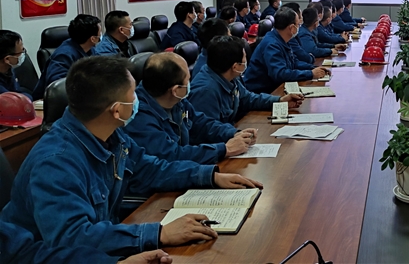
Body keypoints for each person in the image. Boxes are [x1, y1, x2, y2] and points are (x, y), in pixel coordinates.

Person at [0, 56, 262, 256]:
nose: (139, 100)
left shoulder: (110, 135)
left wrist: (210, 176)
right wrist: (158, 233)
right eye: (133, 94)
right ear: (117, 110)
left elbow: (150, 168)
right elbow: (73, 238)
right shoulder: (56, 162)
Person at [125, 53, 256, 164]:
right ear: (175, 90)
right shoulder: (139, 117)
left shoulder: (176, 100)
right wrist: (224, 149)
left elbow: (201, 123)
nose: (190, 83)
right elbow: (172, 155)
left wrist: (233, 133)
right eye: (188, 80)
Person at [188, 36, 303, 125]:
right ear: (235, 66)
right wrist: (236, 133)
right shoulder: (205, 91)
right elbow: (208, 129)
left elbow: (247, 98)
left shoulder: (229, 76)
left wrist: (279, 100)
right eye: (244, 60)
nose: (246, 62)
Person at [0, 217, 174, 264]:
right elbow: (71, 236)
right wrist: (157, 233)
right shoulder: (55, 158)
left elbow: (27, 256)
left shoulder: (113, 143)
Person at [243, 7, 328, 94]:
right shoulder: (272, 44)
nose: (299, 27)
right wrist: (310, 74)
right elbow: (280, 74)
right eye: (298, 25)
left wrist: (313, 68)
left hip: (274, 87)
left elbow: (294, 62)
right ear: (292, 28)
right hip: (261, 93)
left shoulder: (282, 39)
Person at [32, 14, 100, 100]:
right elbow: (57, 85)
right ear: (93, 39)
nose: (100, 37)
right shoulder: (63, 55)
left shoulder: (90, 49)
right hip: (52, 101)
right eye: (99, 34)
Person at [0, 30, 29, 97]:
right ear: (7, 59)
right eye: (21, 52)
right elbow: (12, 99)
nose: (23, 54)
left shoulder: (8, 70)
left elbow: (18, 92)